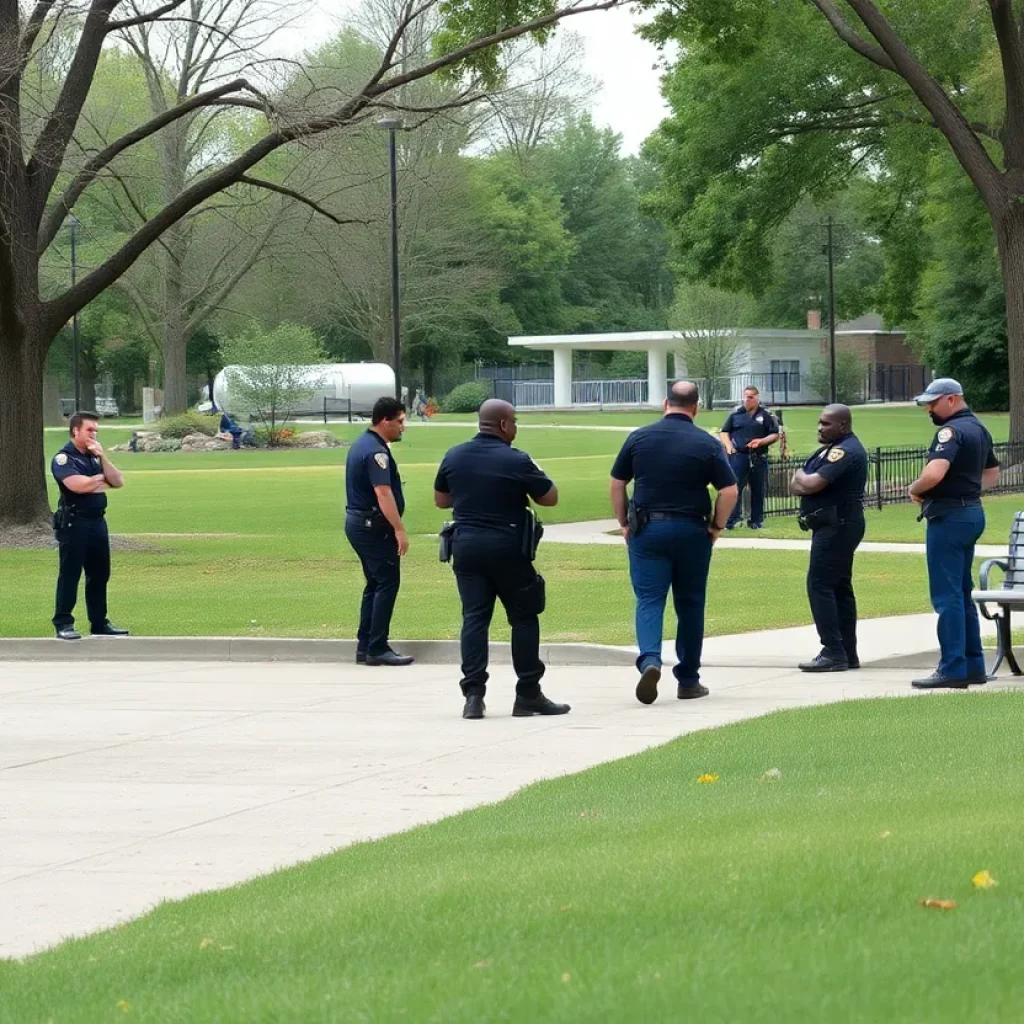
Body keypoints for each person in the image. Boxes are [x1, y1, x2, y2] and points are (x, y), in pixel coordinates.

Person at [434, 399, 569, 720]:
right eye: (516, 422)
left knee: (475, 618)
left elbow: (441, 499)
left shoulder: (454, 455)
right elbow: (549, 497)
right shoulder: (517, 459)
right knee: (523, 617)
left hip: (466, 547)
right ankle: (528, 694)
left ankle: (473, 696)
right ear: (505, 425)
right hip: (507, 548)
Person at [610, 381, 738, 705]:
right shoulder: (707, 444)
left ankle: (650, 660)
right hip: (692, 531)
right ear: (695, 407)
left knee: (650, 599)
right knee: (691, 604)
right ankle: (689, 680)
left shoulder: (639, 438)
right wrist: (717, 527)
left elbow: (617, 482)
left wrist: (624, 523)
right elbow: (729, 491)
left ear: (666, 403)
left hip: (648, 530)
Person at [907, 378, 1000, 689]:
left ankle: (951, 669)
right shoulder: (978, 428)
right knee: (962, 592)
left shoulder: (951, 431)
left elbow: (934, 472)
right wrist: (969, 492)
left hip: (949, 517)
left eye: (932, 403)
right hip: (971, 512)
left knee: (947, 596)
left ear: (951, 399)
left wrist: (914, 489)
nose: (929, 410)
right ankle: (973, 666)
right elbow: (991, 473)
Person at [788, 405, 868, 672]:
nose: (820, 428)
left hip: (837, 525)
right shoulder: (829, 449)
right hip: (834, 525)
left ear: (843, 425)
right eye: (819, 423)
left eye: (826, 423)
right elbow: (798, 483)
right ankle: (846, 651)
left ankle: (833, 651)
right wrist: (801, 479)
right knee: (838, 586)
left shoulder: (844, 450)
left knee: (820, 584)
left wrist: (801, 478)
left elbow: (808, 484)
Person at [344, 396, 414, 667]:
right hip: (373, 527)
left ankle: (366, 644)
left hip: (359, 524)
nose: (402, 427)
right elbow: (383, 493)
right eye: (399, 421)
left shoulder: (363, 443)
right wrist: (399, 529)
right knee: (387, 583)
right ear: (385, 421)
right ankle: (377, 646)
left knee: (375, 583)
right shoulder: (376, 452)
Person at [51, 412, 129, 640]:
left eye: (96, 430)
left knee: (99, 573)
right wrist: (100, 481)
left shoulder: (94, 458)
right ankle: (63, 622)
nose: (94, 434)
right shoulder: (64, 459)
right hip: (74, 522)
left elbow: (118, 481)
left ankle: (99, 623)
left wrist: (103, 459)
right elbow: (78, 486)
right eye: (89, 430)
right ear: (75, 430)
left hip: (97, 522)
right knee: (70, 573)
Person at [719, 386, 780, 530]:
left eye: (751, 397)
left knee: (758, 489)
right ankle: (733, 520)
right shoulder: (736, 414)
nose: (747, 399)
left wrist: (761, 441)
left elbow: (775, 434)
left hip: (758, 456)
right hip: (739, 456)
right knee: (735, 488)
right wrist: (729, 446)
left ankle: (756, 521)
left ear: (757, 398)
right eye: (745, 396)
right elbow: (724, 432)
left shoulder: (766, 415)